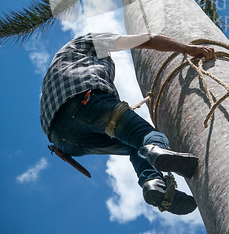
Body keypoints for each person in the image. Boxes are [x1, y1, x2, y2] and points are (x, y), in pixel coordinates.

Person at [40, 32, 216, 215]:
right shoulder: (88, 42)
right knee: (148, 137)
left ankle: (154, 183)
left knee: (135, 146)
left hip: (63, 141)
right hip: (86, 100)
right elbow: (145, 39)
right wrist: (187, 49)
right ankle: (156, 148)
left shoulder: (60, 66)